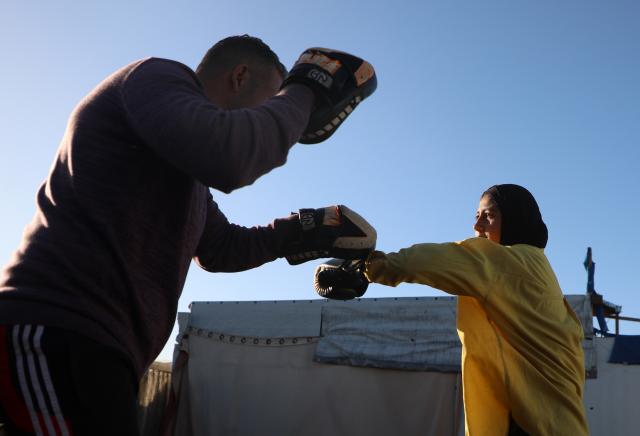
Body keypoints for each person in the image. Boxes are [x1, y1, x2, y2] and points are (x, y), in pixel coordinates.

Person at [0, 35, 376, 435]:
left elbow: (222, 249)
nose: (276, 114)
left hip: (102, 348)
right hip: (55, 327)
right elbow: (232, 155)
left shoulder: (191, 179)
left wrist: (303, 229)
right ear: (239, 76)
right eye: (272, 99)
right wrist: (307, 89)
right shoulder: (154, 76)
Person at [316, 184, 589, 435]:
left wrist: (366, 268)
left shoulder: (509, 262)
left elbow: (429, 261)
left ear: (515, 219)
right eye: (476, 215)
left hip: (534, 426)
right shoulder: (538, 271)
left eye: (489, 216)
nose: (476, 224)